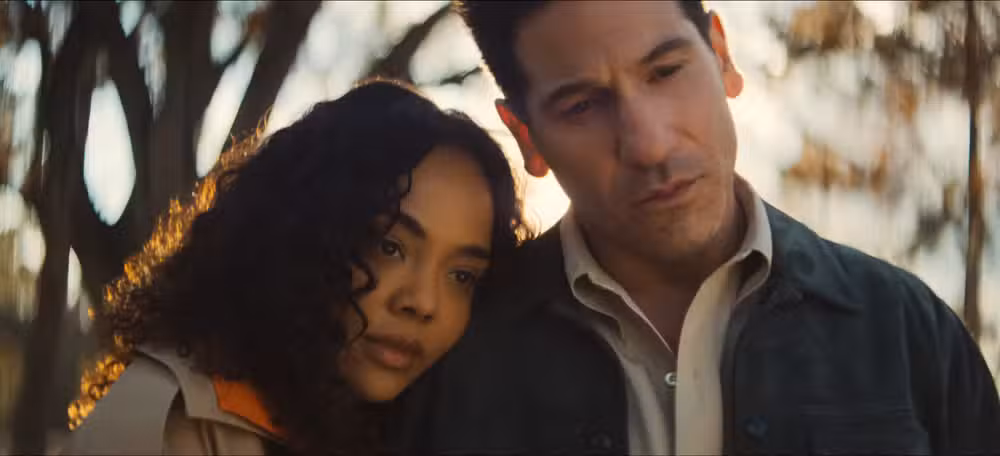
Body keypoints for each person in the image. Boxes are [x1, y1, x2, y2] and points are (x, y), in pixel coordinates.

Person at [389, 1, 1000, 454]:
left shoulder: (905, 331)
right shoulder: (454, 359)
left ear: (722, 55)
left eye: (665, 71)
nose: (649, 145)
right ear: (527, 137)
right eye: (583, 105)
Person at [63, 80, 528, 455]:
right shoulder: (165, 424)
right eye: (389, 247)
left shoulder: (405, 429)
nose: (423, 303)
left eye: (462, 276)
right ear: (301, 233)